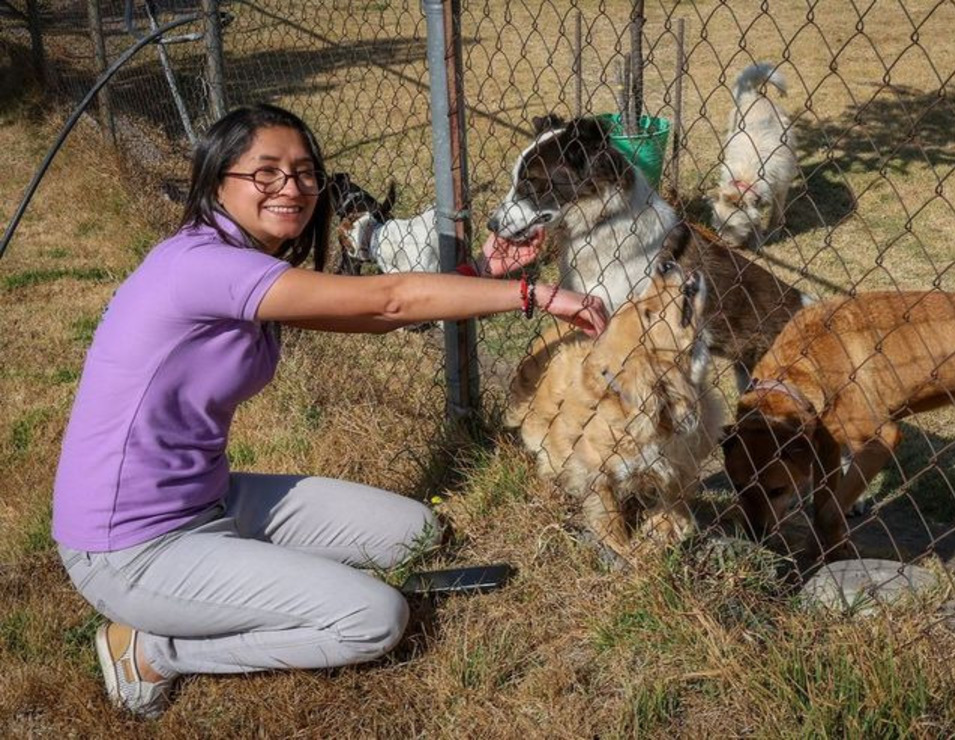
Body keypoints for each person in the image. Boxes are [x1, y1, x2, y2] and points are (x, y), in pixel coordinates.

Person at [51, 103, 607, 719]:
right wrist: (532, 293)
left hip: (209, 501)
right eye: (266, 173)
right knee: (373, 617)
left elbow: (368, 318)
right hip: (129, 545)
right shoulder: (203, 266)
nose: (292, 188)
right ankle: (155, 647)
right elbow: (391, 299)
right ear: (217, 180)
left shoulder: (240, 260)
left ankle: (245, 579)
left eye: (305, 173)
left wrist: (480, 274)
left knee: (416, 532)